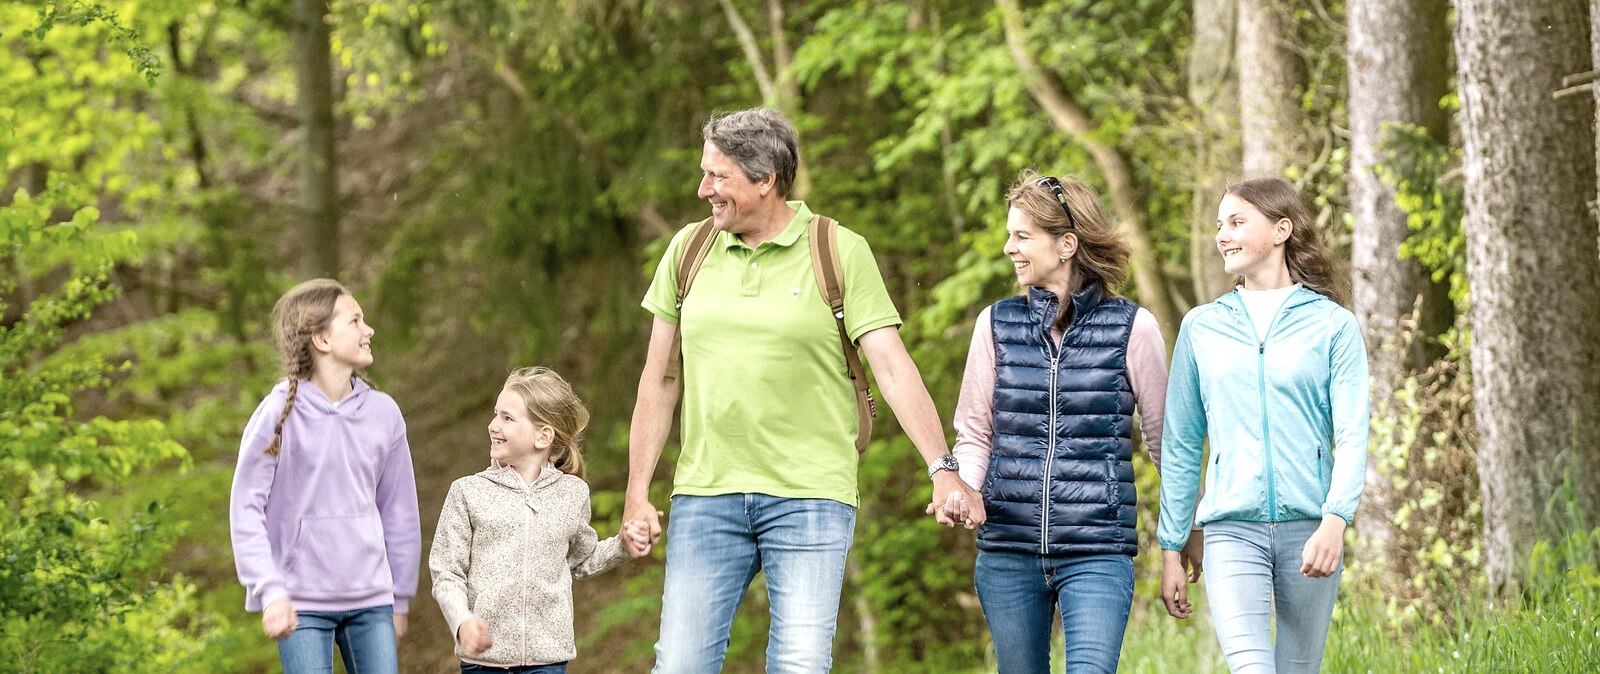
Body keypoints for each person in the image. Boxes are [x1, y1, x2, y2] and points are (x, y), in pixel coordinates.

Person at [621, 107, 985, 674]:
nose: (703, 190)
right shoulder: (688, 252)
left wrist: (942, 467)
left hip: (811, 495)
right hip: (706, 493)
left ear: (765, 180)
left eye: (717, 176)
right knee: (680, 664)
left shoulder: (838, 251)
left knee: (800, 664)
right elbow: (660, 377)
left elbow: (891, 365)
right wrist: (637, 491)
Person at [949, 171, 1171, 673]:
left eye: (1022, 236)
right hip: (1008, 550)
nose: (1009, 248)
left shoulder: (1134, 327)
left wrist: (1181, 538)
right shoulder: (995, 323)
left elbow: (1165, 444)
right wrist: (963, 491)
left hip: (1096, 551)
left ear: (1066, 244)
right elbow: (976, 433)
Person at [1158, 178, 1369, 673]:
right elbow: (1183, 443)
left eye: (1236, 222)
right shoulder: (1202, 327)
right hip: (1230, 529)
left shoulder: (1332, 325)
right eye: (1218, 225)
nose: (1222, 235)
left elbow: (1354, 433)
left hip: (1311, 529)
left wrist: (1335, 521)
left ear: (1281, 229)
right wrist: (1172, 544)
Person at [229, 278, 421, 673]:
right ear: (321, 339)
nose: (368, 330)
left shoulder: (384, 414)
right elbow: (246, 508)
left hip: (372, 601)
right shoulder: (276, 414)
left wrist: (399, 595)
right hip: (300, 602)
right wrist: (270, 590)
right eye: (355, 321)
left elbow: (399, 510)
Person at [429, 367, 652, 674]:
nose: (493, 425)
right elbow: (446, 572)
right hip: (484, 662)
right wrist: (462, 622)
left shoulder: (572, 494)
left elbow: (582, 560)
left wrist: (622, 545)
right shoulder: (468, 492)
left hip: (547, 661)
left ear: (543, 435)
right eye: (496, 414)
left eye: (507, 418)